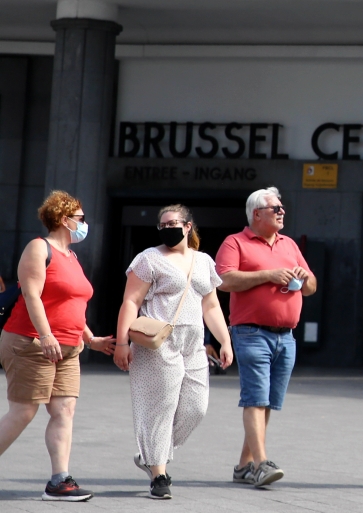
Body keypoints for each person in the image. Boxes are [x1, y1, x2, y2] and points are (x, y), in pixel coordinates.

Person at [0, 190, 115, 501]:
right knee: (24, 411)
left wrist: (91, 339)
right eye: (80, 219)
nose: (84, 224)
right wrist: (47, 335)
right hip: (31, 343)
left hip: (69, 347)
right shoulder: (39, 249)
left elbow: (71, 304)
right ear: (64, 220)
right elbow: (32, 296)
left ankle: (59, 481)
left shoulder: (71, 257)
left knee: (64, 409)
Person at [114, 204, 235, 499]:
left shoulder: (204, 261)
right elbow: (130, 301)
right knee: (160, 407)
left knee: (196, 407)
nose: (168, 229)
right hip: (159, 342)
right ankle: (158, 474)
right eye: (163, 225)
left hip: (193, 344)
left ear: (188, 226)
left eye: (173, 223)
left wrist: (225, 341)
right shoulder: (149, 259)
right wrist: (121, 342)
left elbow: (211, 305)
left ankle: (153, 454)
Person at [216, 187, 317, 488]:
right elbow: (223, 279)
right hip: (251, 332)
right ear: (256, 213)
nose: (282, 212)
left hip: (286, 336)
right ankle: (261, 464)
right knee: (255, 398)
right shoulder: (235, 242)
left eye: (283, 208)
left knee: (269, 402)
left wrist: (304, 277)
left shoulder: (288, 244)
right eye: (276, 208)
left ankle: (244, 465)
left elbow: (311, 286)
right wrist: (268, 275)